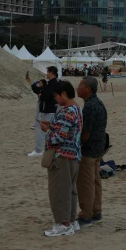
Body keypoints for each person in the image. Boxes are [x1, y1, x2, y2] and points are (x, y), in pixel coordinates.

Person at [43, 80, 83, 237]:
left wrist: (48, 132)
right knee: (70, 190)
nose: (55, 99)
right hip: (73, 155)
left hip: (62, 156)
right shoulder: (77, 109)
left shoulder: (67, 111)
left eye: (56, 95)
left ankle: (63, 224)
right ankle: (71, 221)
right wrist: (52, 127)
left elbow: (59, 137)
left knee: (59, 191)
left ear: (64, 94)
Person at [76, 77, 107, 228]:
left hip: (89, 149)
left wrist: (78, 143)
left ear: (88, 89)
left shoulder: (89, 107)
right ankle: (97, 212)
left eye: (80, 85)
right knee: (95, 181)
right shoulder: (98, 103)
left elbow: (86, 132)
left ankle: (86, 215)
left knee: (86, 183)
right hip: (98, 148)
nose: (77, 87)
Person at [28, 66, 60, 157]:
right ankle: (51, 148)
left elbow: (46, 96)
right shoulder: (55, 83)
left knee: (40, 129)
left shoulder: (52, 84)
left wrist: (41, 95)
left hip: (48, 110)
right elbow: (41, 91)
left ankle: (38, 150)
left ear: (51, 72)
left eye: (47, 72)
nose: (46, 74)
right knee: (53, 129)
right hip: (53, 110)